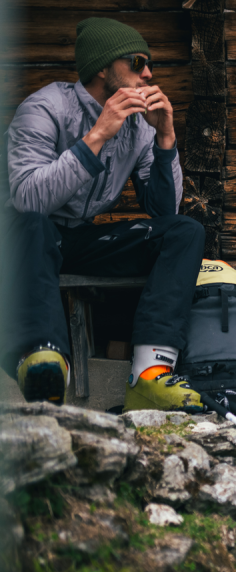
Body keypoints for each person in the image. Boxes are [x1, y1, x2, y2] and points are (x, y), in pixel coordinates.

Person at [0, 18, 205, 412]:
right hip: (25, 236)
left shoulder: (140, 126)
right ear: (102, 67)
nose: (148, 73)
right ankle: (42, 362)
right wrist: (97, 136)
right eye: (136, 62)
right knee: (32, 225)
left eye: (149, 64)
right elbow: (27, 199)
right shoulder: (44, 108)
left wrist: (165, 138)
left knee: (184, 231)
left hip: (78, 238)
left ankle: (149, 374)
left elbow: (164, 211)